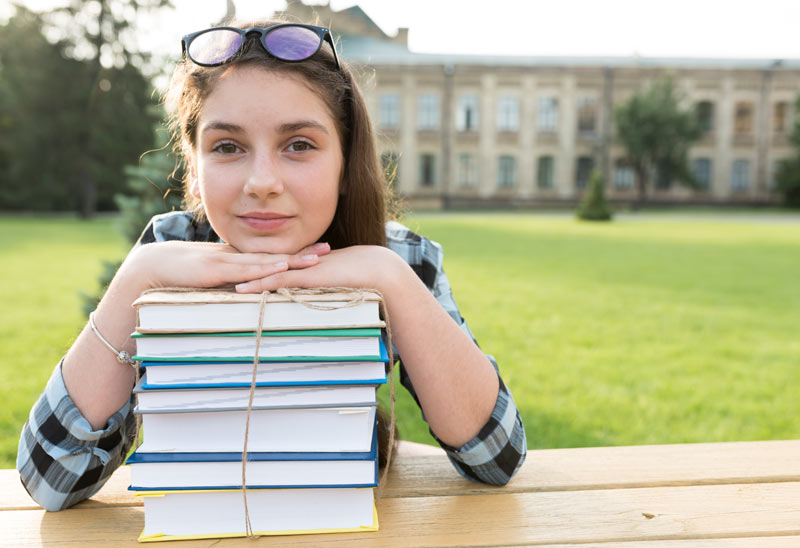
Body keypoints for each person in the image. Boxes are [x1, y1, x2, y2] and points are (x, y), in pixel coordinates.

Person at [17, 19, 527, 512]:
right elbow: (50, 480)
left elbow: (496, 457)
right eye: (228, 147)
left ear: (346, 165)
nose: (262, 181)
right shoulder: (168, 253)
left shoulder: (401, 260)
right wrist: (137, 277)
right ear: (194, 171)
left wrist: (391, 279)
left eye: (299, 145)